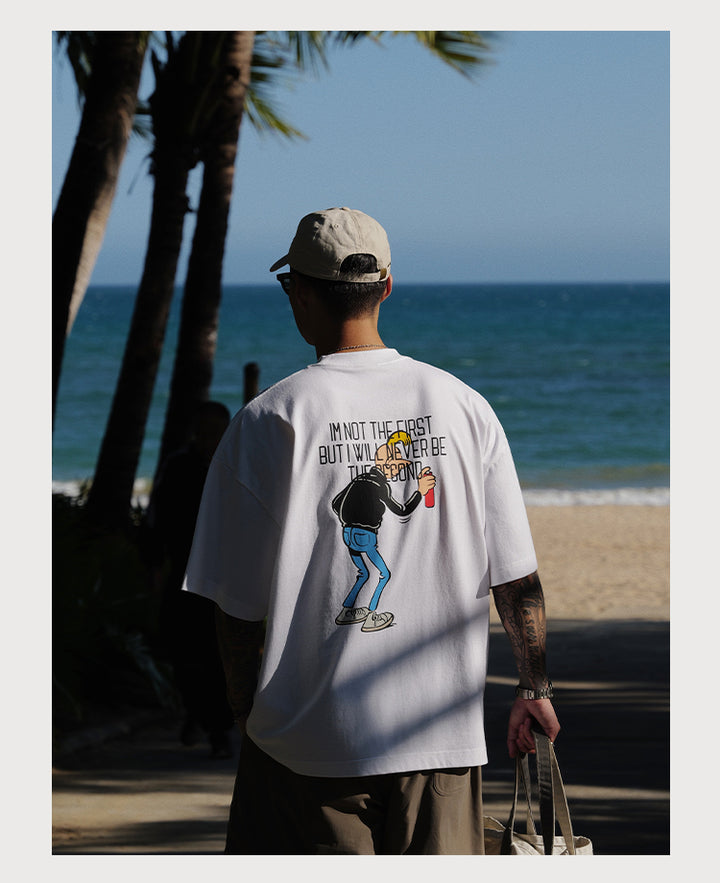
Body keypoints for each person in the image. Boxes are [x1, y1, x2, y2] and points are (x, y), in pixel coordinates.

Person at [183, 207, 560, 854]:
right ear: (386, 286)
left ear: (298, 293)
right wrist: (534, 688)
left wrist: (248, 714)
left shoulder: (268, 421)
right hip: (438, 739)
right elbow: (516, 578)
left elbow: (235, 607)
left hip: (304, 744)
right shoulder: (464, 408)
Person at [147, 400, 235, 757]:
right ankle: (197, 713)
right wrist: (154, 564)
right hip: (184, 572)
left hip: (226, 574)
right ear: (195, 432)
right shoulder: (178, 465)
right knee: (183, 653)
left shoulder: (234, 463)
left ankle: (217, 728)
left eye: (216, 432)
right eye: (205, 431)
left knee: (218, 655)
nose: (210, 438)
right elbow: (157, 518)